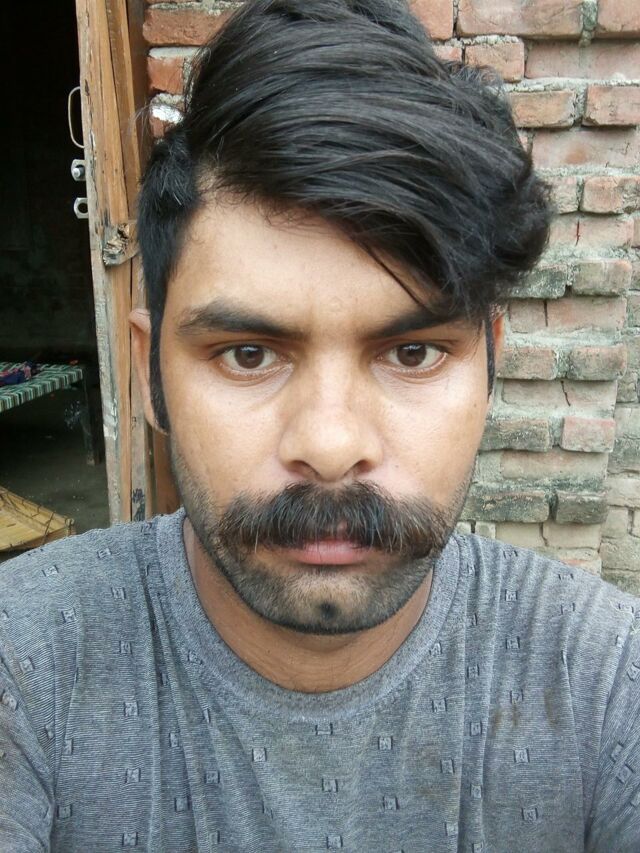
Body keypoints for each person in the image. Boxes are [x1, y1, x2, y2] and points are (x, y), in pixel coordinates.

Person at [1, 0, 638, 850]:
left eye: (412, 352)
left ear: (490, 364)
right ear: (149, 374)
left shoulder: (608, 679)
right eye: (248, 355)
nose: (332, 447)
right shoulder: (23, 663)